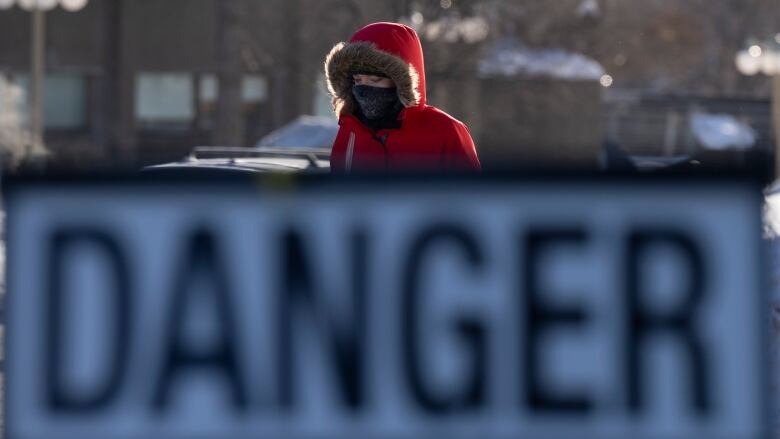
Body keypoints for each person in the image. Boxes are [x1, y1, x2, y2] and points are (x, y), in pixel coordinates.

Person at [325, 22, 481, 173]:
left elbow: (475, 196)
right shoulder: (350, 131)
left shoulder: (447, 132)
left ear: (401, 82)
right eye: (357, 80)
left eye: (375, 80)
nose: (363, 90)